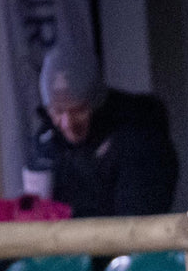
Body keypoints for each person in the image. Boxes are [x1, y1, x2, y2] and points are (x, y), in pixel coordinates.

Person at [22, 42, 179, 219]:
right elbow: (34, 214)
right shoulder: (47, 140)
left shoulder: (139, 136)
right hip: (64, 244)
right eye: (57, 112)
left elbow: (136, 225)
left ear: (96, 103)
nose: (67, 123)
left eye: (78, 110)